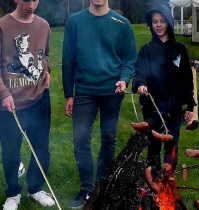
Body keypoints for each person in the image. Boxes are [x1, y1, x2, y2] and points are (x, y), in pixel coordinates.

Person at [62, 0, 137, 208]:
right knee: (81, 139)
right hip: (85, 91)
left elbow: (129, 59)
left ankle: (102, 186)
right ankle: (87, 190)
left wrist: (124, 78)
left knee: (108, 137)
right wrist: (69, 93)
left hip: (112, 91)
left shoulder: (122, 24)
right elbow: (68, 59)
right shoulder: (75, 22)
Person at [0, 0, 55, 209]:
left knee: (41, 149)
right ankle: (13, 193)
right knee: (11, 151)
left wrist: (47, 71)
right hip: (10, 103)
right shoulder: (3, 25)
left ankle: (36, 188)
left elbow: (45, 54)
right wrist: (3, 93)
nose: (31, 4)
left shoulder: (44, 25)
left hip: (39, 99)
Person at [132, 4, 195, 172]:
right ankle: (153, 187)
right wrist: (140, 84)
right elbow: (139, 72)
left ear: (169, 23)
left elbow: (187, 79)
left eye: (162, 21)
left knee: (171, 148)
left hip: (173, 110)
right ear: (151, 24)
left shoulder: (180, 49)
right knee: (153, 148)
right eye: (154, 22)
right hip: (152, 109)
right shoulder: (146, 50)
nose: (158, 25)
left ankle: (167, 183)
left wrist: (190, 105)